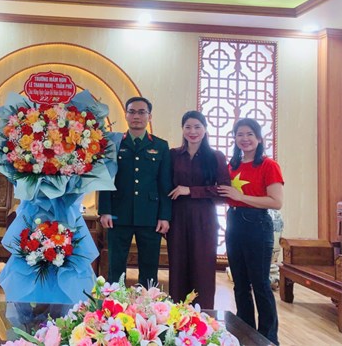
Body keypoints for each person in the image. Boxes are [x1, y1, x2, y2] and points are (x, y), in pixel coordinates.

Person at [217, 118, 283, 345]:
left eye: (249, 134)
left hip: (258, 225)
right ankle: (244, 332)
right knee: (240, 283)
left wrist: (240, 197)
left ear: (259, 138)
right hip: (234, 223)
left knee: (260, 284)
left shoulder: (268, 165)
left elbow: (276, 202)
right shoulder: (232, 165)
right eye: (239, 134)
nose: (244, 139)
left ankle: (268, 338)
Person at [98, 96, 172, 287]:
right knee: (115, 267)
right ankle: (114, 302)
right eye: (132, 112)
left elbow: (165, 184)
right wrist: (105, 210)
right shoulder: (113, 143)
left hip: (150, 215)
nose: (136, 116)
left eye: (141, 112)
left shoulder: (160, 146)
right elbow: (106, 178)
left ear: (149, 116)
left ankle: (148, 303)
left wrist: (164, 216)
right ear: (126, 115)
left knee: (149, 268)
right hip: (118, 213)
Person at [166, 111, 230, 308]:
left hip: (205, 220)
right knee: (178, 268)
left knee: (203, 270)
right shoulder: (173, 155)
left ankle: (204, 317)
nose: (192, 131)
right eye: (188, 127)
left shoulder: (216, 157)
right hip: (177, 218)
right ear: (182, 129)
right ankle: (176, 317)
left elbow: (223, 191)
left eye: (197, 127)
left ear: (205, 129)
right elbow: (164, 187)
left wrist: (190, 190)